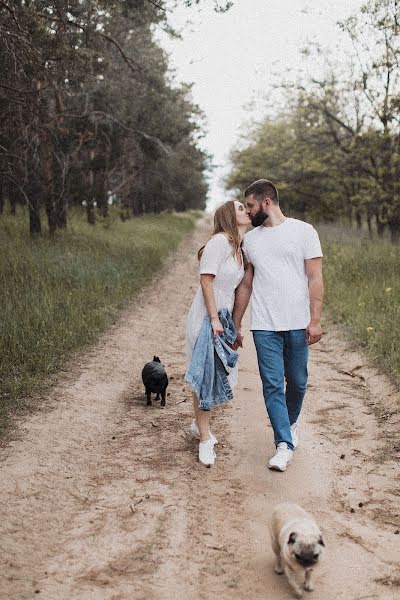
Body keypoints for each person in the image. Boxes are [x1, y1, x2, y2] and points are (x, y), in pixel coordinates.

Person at [232, 179, 324, 472]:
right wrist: (236, 322)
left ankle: (290, 422)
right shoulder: (251, 240)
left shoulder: (304, 232)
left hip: (297, 322)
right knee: (272, 384)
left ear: (266, 202)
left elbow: (315, 278)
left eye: (250, 205)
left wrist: (315, 319)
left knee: (297, 382)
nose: (248, 211)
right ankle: (283, 444)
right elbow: (246, 283)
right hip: (264, 325)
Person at [185, 200, 251, 466]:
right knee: (206, 375)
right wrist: (213, 319)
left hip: (223, 317)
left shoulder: (238, 248)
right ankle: (203, 439)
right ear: (227, 215)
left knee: (218, 374)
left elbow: (238, 290)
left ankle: (198, 425)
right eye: (240, 208)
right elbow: (206, 280)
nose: (246, 211)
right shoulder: (220, 242)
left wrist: (236, 326)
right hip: (206, 317)